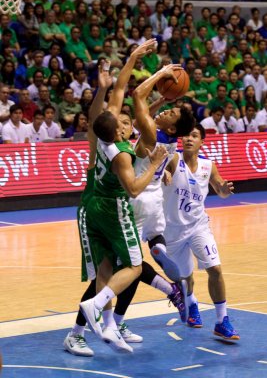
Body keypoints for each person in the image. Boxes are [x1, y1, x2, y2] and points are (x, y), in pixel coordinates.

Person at [63, 69, 186, 356]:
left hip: (117, 210)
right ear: (119, 129)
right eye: (121, 121)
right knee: (122, 271)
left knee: (117, 271)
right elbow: (117, 115)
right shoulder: (121, 150)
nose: (124, 122)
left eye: (128, 121)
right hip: (109, 209)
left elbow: (128, 112)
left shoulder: (119, 143)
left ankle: (112, 324)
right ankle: (80, 331)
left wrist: (151, 102)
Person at [162, 124, 240, 340]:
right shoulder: (173, 159)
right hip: (172, 230)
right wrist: (165, 174)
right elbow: (161, 169)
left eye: (194, 136)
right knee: (185, 277)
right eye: (186, 134)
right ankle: (192, 303)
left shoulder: (208, 165)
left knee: (214, 268)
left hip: (198, 226)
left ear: (202, 142)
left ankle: (221, 320)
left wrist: (224, 190)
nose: (189, 138)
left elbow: (221, 190)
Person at [131, 65, 195, 285]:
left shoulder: (150, 134)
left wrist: (160, 73)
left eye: (171, 114)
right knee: (155, 237)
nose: (167, 111)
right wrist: (162, 101)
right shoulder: (171, 142)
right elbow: (143, 119)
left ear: (171, 129)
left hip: (135, 194)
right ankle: (159, 250)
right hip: (156, 196)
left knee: (127, 259)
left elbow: (137, 96)